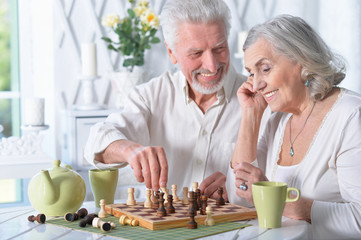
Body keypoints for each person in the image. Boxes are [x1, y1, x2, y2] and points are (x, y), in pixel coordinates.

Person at [84, 0, 264, 200]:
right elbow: (95, 142)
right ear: (171, 52)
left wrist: (240, 192)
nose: (212, 66)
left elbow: (276, 180)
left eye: (219, 48)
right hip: (163, 227)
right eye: (196, 53)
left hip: (237, 229)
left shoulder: (257, 100)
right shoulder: (151, 96)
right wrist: (129, 150)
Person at [227, 15, 361, 239]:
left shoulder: (351, 116)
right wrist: (250, 115)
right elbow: (240, 197)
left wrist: (279, 201)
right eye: (251, 73)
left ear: (302, 59)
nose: (257, 84)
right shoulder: (278, 120)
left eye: (266, 68)